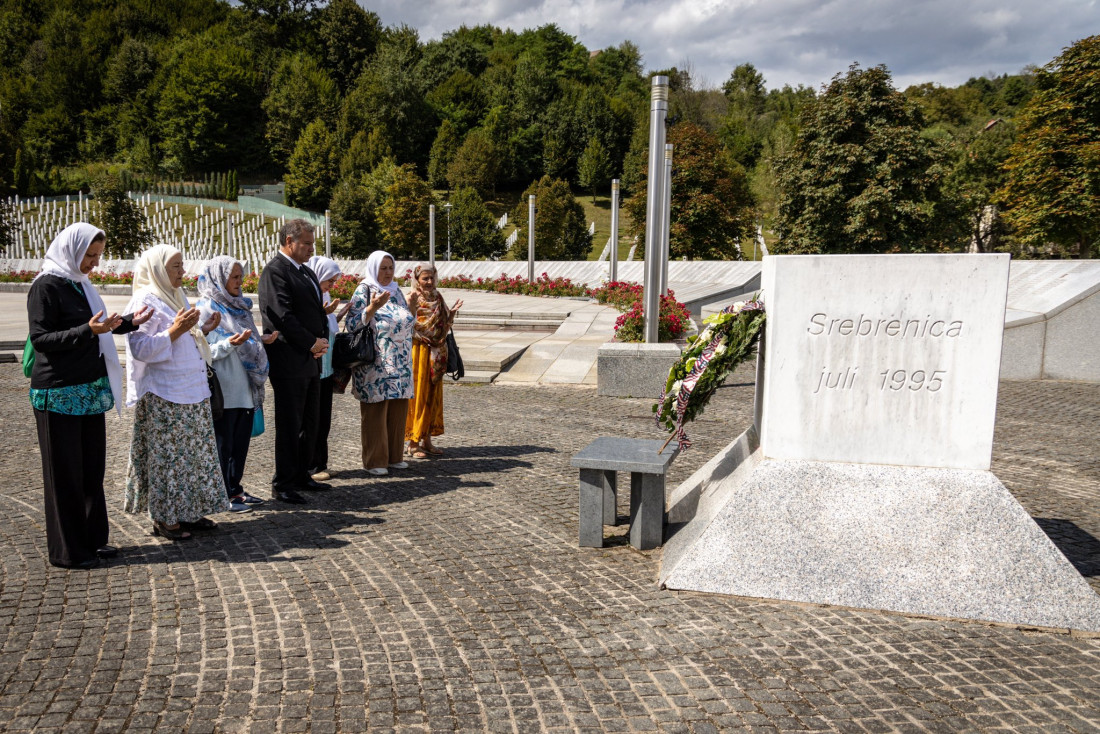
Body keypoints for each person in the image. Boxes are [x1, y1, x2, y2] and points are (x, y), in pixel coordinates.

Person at [27, 223, 152, 569]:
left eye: (97, 256)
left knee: (90, 471)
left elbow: (99, 325)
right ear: (71, 251)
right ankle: (69, 550)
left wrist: (129, 322)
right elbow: (41, 339)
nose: (94, 263)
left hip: (89, 391)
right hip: (59, 393)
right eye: (90, 255)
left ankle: (93, 540)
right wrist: (87, 330)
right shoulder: (45, 286)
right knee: (65, 475)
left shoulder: (79, 283)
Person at [123, 245, 231, 540]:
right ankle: (165, 517)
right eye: (176, 266)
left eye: (182, 265)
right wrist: (176, 330)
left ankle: (189, 512)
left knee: (193, 457)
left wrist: (202, 330)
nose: (183, 271)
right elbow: (140, 348)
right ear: (158, 269)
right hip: (165, 394)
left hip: (191, 389)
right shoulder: (145, 299)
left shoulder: (174, 294)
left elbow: (183, 339)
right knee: (169, 460)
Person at [258, 219, 330, 504]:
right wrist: (312, 342)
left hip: (310, 358)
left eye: (313, 243)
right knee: (290, 423)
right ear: (289, 241)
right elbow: (281, 315)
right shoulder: (275, 271)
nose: (312, 249)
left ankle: (302, 474)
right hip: (289, 359)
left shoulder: (306, 271)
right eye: (307, 244)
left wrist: (321, 343)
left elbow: (316, 313)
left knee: (309, 422)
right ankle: (284, 482)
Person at [196, 256, 277, 513]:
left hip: (245, 387)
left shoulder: (240, 307)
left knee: (240, 446)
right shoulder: (205, 308)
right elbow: (202, 351)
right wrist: (229, 344)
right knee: (224, 445)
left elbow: (246, 340)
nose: (239, 282)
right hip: (224, 389)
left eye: (241, 276)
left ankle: (235, 489)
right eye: (234, 276)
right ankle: (222, 494)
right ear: (218, 277)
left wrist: (259, 340)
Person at [346, 250, 413, 476]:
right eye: (383, 268)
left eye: (390, 268)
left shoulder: (396, 290)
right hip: (375, 362)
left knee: (398, 409)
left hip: (400, 361)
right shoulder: (364, 290)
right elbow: (352, 324)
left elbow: (406, 320)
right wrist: (372, 308)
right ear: (374, 268)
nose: (387, 272)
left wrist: (413, 309)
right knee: (376, 410)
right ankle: (375, 460)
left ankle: (394, 456)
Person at [405, 264, 463, 458]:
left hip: (437, 353)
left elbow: (444, 326)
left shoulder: (438, 297)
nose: (429, 282)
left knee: (432, 396)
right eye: (425, 278)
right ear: (417, 279)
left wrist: (451, 314)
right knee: (418, 395)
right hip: (418, 350)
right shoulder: (412, 298)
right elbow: (407, 324)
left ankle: (427, 440)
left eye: (432, 278)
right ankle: (413, 442)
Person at [306, 255, 348, 482]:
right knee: (312, 420)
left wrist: (336, 315)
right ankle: (310, 466)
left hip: (327, 369)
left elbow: (328, 329)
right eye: (329, 280)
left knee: (324, 420)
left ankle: (321, 462)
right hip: (315, 368)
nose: (332, 285)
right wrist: (325, 313)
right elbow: (311, 326)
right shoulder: (312, 296)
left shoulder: (325, 296)